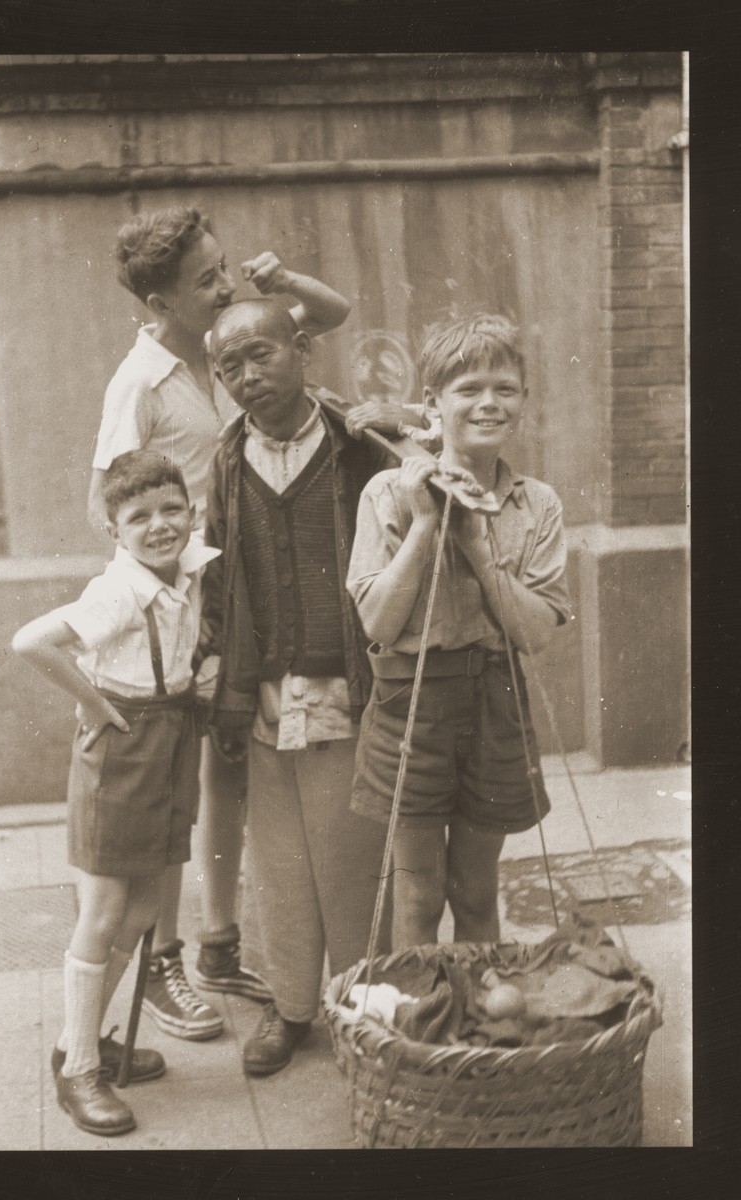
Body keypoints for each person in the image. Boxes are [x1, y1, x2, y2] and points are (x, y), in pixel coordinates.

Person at [88, 207, 352, 1042]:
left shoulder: (234, 338)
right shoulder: (140, 381)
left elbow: (331, 315)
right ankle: (165, 957)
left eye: (224, 267)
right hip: (181, 602)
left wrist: (279, 283)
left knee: (229, 771)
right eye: (205, 280)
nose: (226, 284)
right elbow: (107, 502)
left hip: (241, 586)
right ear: (160, 302)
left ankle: (218, 938)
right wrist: (159, 596)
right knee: (179, 783)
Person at [201, 299, 392, 1077]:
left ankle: (365, 1010)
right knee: (278, 867)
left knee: (352, 861)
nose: (248, 378)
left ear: (303, 349)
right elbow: (217, 575)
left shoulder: (358, 448)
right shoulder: (225, 460)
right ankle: (291, 1011)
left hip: (349, 688)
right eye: (229, 368)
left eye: (261, 356)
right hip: (263, 695)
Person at [346, 312, 570, 950]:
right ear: (431, 406)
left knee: (476, 890)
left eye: (505, 388)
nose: (489, 403)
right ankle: (421, 1034)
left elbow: (534, 633)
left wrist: (473, 540)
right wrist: (425, 524)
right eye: (468, 388)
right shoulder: (388, 493)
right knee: (418, 894)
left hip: (496, 698)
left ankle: (476, 1037)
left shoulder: (537, 504)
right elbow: (379, 623)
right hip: (410, 705)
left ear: (522, 401)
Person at [12, 452, 219, 1136]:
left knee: (144, 908)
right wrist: (96, 704)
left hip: (170, 740)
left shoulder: (188, 569)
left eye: (171, 510)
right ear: (113, 529)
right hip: (122, 750)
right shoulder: (118, 591)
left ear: (189, 510)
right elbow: (31, 641)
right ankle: (77, 1074)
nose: (159, 526)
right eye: (139, 517)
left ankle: (85, 1036)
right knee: (104, 909)